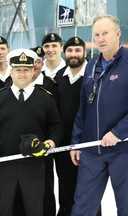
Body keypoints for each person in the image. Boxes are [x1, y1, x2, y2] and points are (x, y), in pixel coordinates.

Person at [0, 48, 63, 216]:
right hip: (4, 165)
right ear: (11, 71)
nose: (22, 74)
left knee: (34, 209)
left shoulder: (45, 98)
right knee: (3, 209)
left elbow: (56, 126)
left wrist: (51, 141)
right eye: (18, 69)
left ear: (34, 70)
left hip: (34, 166)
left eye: (26, 69)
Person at [70, 14, 128, 216]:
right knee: (83, 207)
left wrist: (119, 132)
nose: (101, 38)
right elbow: (84, 107)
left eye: (105, 33)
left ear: (117, 34)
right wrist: (77, 141)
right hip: (92, 150)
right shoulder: (91, 64)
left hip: (123, 150)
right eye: (96, 34)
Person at [53, 37, 87, 216]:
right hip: (64, 143)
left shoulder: (93, 75)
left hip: (87, 142)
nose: (73, 55)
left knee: (87, 187)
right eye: (70, 51)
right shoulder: (59, 77)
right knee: (65, 184)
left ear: (84, 53)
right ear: (64, 53)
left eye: (77, 50)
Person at [41, 33, 66, 216]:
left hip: (67, 137)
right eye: (47, 46)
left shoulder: (72, 70)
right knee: (46, 179)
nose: (50, 50)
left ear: (61, 47)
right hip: (44, 137)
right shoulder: (38, 73)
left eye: (54, 46)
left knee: (67, 179)